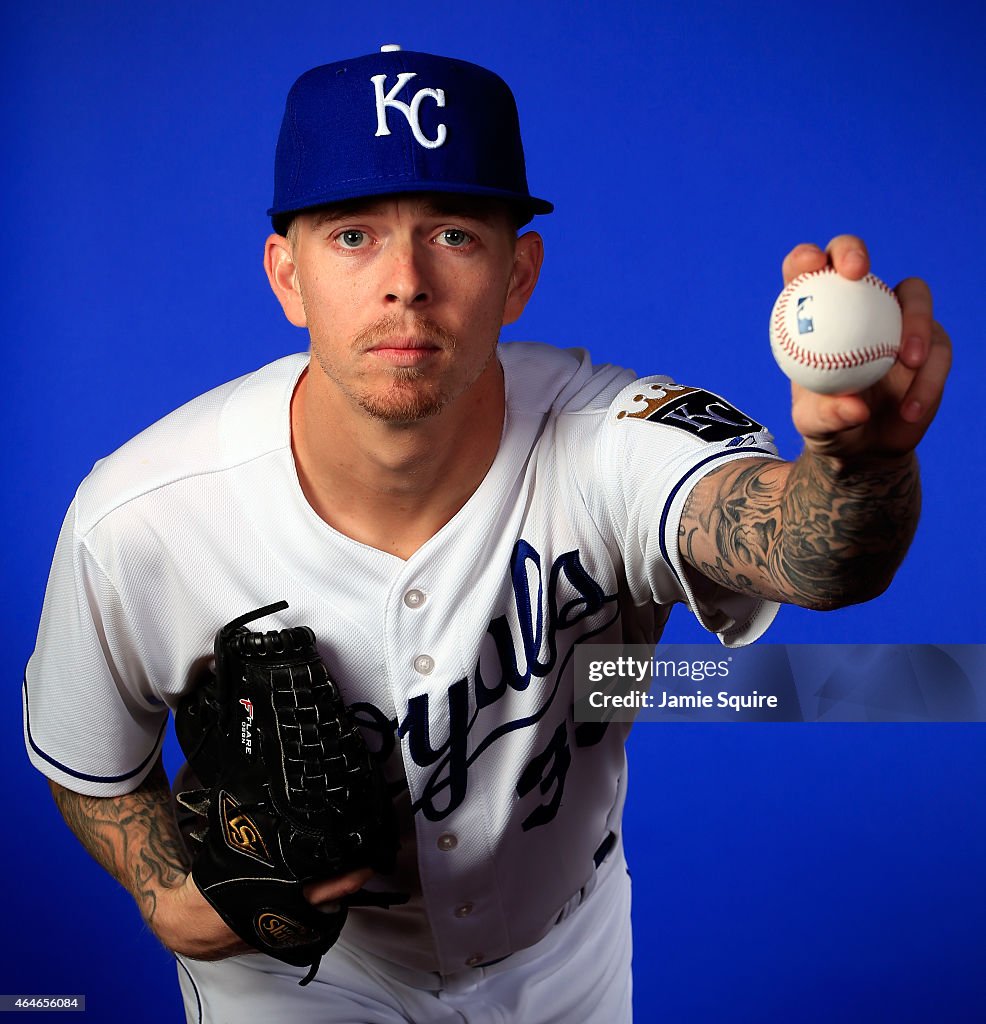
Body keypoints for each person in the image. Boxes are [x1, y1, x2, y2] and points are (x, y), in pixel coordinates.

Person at [23, 44, 950, 1024]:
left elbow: (809, 550)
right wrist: (176, 894)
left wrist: (861, 465)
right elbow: (92, 769)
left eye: (455, 233)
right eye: (351, 236)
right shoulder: (138, 515)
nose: (405, 282)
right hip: (294, 986)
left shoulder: (611, 443)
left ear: (518, 275)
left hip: (563, 960)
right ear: (285, 275)